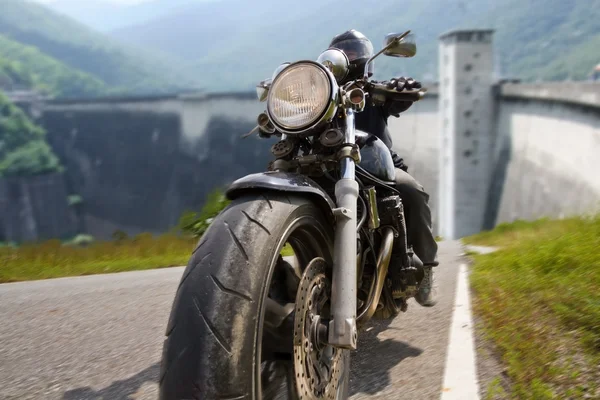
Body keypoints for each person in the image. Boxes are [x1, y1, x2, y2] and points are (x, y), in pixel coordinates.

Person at [329, 29, 438, 307]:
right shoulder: (323, 95)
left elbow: (400, 98)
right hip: (331, 168)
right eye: (344, 52)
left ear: (366, 59)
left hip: (377, 168)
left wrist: (404, 86)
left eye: (354, 52)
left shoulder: (373, 92)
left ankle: (426, 269)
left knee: (413, 192)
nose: (350, 56)